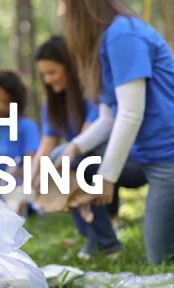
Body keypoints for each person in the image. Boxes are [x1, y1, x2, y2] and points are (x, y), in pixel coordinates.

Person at [56, 0, 174, 265]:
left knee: (162, 259)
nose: (60, 11)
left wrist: (107, 176)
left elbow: (131, 113)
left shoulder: (124, 34)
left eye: (63, 4)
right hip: (143, 157)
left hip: (168, 159)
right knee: (65, 156)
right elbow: (109, 118)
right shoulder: (108, 39)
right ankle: (102, 243)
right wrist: (73, 148)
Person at [32, 35, 146, 260]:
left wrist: (63, 157)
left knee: (66, 160)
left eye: (52, 72)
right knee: (55, 160)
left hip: (130, 162)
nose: (47, 80)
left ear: (70, 68)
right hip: (95, 167)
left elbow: (90, 137)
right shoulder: (52, 106)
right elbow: (45, 147)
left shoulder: (92, 94)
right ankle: (96, 238)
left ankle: (105, 243)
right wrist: (34, 179)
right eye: (43, 74)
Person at [0, 70, 40, 214]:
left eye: (6, 101)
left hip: (21, 190)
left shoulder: (26, 127)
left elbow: (33, 163)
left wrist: (18, 174)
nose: (1, 107)